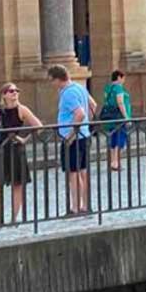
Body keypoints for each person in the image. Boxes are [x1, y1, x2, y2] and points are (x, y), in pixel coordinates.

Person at [0, 83, 42, 227]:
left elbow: (38, 125)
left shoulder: (22, 109)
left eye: (16, 91)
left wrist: (24, 138)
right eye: (11, 91)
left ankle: (14, 218)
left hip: (15, 150)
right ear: (4, 94)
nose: (14, 93)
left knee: (17, 184)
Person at [50, 64, 94, 214]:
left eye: (52, 81)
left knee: (73, 173)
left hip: (74, 138)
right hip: (84, 134)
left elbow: (80, 113)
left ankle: (75, 207)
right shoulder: (80, 87)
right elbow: (92, 105)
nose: (52, 85)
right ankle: (85, 205)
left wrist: (70, 135)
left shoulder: (67, 93)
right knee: (82, 171)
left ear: (57, 79)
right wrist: (87, 126)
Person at [101, 70, 132, 171]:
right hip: (118, 117)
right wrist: (126, 117)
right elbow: (120, 102)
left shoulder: (108, 87)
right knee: (120, 138)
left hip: (110, 117)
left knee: (112, 138)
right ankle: (116, 162)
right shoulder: (118, 88)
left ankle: (112, 161)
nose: (123, 81)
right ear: (119, 77)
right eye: (123, 78)